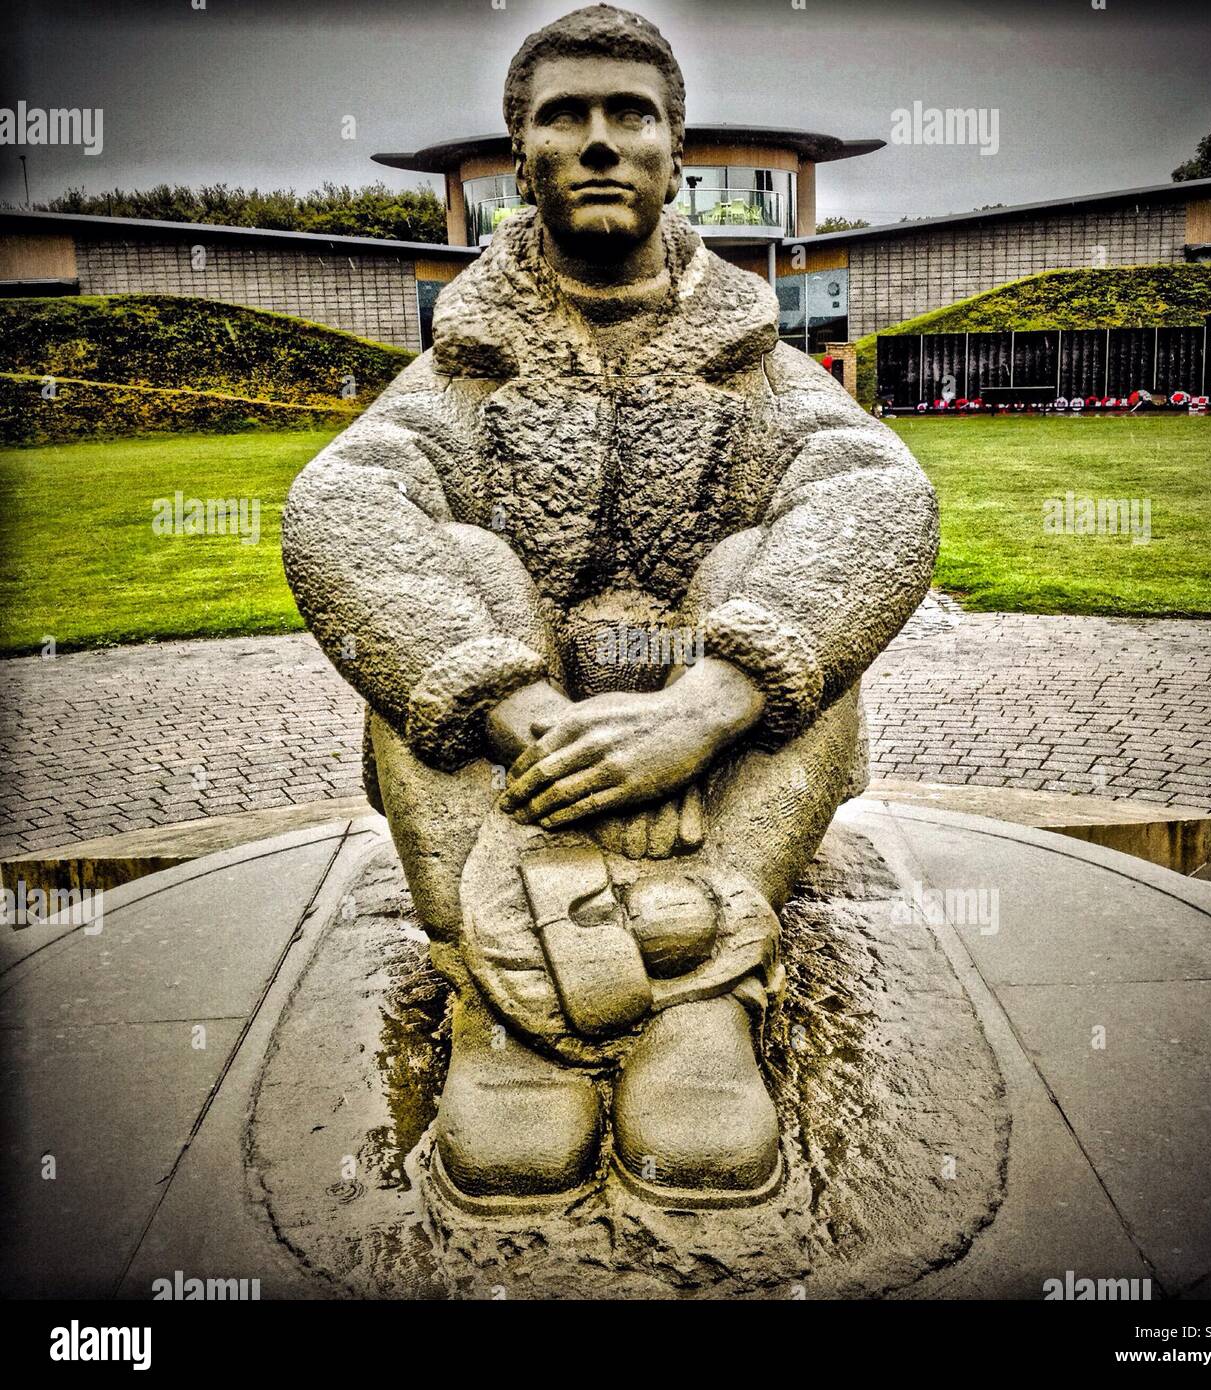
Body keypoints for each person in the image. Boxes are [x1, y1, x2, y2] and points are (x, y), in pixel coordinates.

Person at [282, 3, 937, 1212]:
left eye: (627, 115)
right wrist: (520, 709)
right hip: (519, 773)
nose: (596, 142)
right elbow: (341, 507)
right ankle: (513, 1001)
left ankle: (700, 996)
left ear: (673, 151)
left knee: (772, 575)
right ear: (519, 159)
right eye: (561, 118)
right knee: (452, 576)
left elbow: (876, 493)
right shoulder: (461, 367)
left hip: (714, 766)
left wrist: (709, 701)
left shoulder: (749, 359)